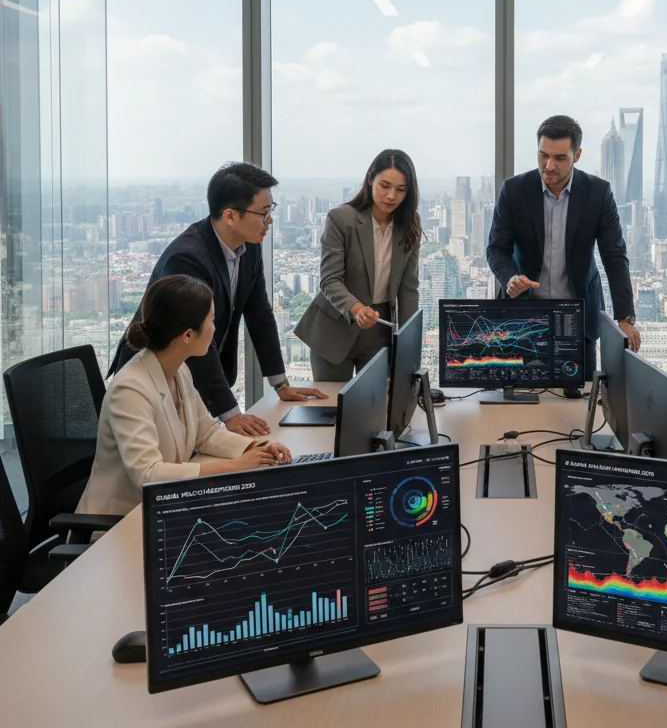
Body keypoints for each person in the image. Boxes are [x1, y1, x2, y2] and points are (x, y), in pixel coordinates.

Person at [110, 163, 326, 437]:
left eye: (271, 210)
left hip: (192, 388)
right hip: (157, 384)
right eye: (263, 213)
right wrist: (230, 414)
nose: (270, 220)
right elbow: (194, 338)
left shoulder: (249, 249)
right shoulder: (187, 259)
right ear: (230, 216)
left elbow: (259, 313)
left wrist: (280, 383)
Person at [79, 276, 292, 518]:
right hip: (119, 524)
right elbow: (148, 475)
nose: (215, 327)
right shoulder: (129, 389)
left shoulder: (178, 369)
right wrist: (235, 467)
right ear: (188, 335)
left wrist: (256, 448)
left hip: (164, 511)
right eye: (211, 319)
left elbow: (206, 433)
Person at [486, 115, 639, 384]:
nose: (549, 165)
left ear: (577, 155)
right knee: (518, 398)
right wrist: (510, 277)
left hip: (578, 316)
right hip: (523, 314)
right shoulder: (514, 190)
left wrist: (624, 318)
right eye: (543, 155)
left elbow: (614, 256)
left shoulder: (597, 192)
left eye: (559, 158)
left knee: (579, 402)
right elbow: (496, 248)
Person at [295, 150, 421, 381]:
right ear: (371, 178)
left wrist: (408, 343)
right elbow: (330, 279)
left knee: (375, 408)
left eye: (401, 190)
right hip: (334, 327)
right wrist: (356, 309)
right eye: (385, 185)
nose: (391, 195)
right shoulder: (341, 219)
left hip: (379, 330)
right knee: (330, 408)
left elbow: (408, 289)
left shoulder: (409, 225)